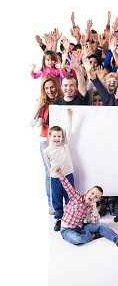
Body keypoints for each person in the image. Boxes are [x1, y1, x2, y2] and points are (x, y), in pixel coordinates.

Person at [55, 166, 118, 247]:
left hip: (80, 227)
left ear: (97, 200)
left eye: (96, 197)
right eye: (92, 193)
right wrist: (60, 174)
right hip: (67, 229)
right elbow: (68, 187)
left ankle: (117, 239)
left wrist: (95, 209)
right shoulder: (76, 196)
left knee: (102, 225)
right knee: (77, 239)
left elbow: (95, 223)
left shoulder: (91, 206)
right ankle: (94, 236)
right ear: (88, 192)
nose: (93, 197)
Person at [30, 76, 63, 215]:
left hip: (60, 140)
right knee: (49, 173)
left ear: (56, 86)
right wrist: (39, 105)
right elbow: (31, 124)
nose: (49, 90)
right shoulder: (42, 103)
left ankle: (66, 202)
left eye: (52, 87)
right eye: (46, 88)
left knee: (63, 171)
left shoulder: (61, 101)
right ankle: (52, 204)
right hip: (45, 140)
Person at [44, 109, 76, 231]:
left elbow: (69, 128)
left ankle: (69, 217)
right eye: (54, 136)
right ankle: (58, 218)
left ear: (62, 137)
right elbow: (48, 164)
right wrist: (53, 173)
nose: (57, 138)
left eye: (59, 136)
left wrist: (70, 117)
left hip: (68, 175)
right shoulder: (47, 151)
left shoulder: (65, 144)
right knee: (56, 198)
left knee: (69, 196)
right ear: (50, 137)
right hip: (55, 178)